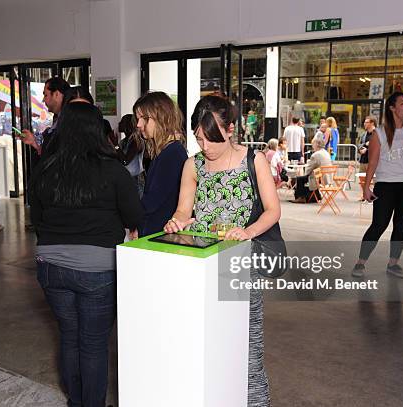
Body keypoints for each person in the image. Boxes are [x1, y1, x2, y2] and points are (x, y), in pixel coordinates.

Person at [164, 94, 280, 407]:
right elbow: (182, 211)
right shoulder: (193, 165)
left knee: (247, 349)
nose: (207, 147)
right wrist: (176, 223)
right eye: (200, 139)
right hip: (200, 266)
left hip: (243, 266)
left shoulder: (254, 161)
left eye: (213, 139)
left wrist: (248, 232)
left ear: (231, 129)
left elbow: (272, 210)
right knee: (205, 343)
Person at [29, 102, 142, 407]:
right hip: (98, 269)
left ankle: (76, 401)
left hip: (50, 266)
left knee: (69, 335)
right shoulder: (114, 171)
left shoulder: (45, 169)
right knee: (93, 343)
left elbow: (36, 219)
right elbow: (134, 216)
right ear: (98, 132)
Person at [351, 92, 403, 279]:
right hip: (386, 185)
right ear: (392, 107)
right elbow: (373, 162)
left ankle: (394, 263)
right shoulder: (380, 133)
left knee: (401, 225)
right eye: (402, 103)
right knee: (379, 224)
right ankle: (360, 263)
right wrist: (366, 187)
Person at [132, 91, 187, 236]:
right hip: (157, 233)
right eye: (138, 119)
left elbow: (152, 202)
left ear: (162, 118)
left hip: (161, 235)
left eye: (144, 118)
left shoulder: (172, 153)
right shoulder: (166, 151)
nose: (138, 124)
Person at [18, 77, 70, 156]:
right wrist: (33, 142)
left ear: (56, 94)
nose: (43, 100)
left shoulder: (69, 121)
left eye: (46, 95)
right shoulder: (57, 119)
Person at [290, 138, 331, 203]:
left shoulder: (316, 155)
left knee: (300, 179)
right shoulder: (326, 152)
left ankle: (301, 197)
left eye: (313, 144)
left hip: (319, 177)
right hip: (326, 177)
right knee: (304, 178)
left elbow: (308, 169)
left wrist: (306, 172)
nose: (312, 145)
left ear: (317, 144)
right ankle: (316, 196)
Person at [116, 113, 145, 197]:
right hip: (126, 179)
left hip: (135, 180)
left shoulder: (136, 141)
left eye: (122, 122)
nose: (119, 124)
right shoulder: (123, 141)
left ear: (128, 125)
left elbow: (125, 161)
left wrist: (115, 145)